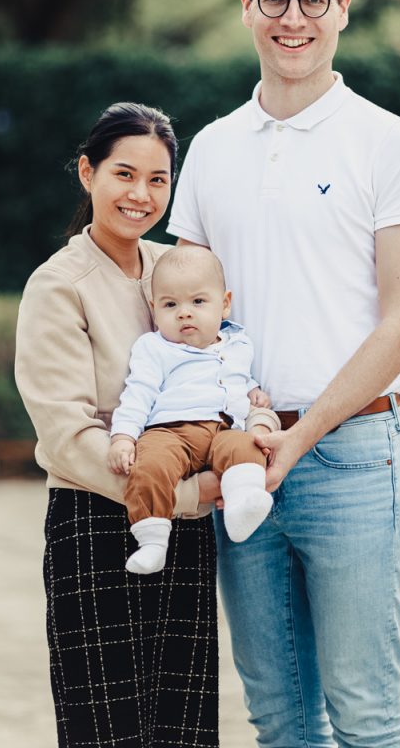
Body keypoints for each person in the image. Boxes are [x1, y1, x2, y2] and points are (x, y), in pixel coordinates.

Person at [167, 0, 400, 748]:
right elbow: (190, 317)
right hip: (243, 461)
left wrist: (304, 434)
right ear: (248, 7)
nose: (296, 18)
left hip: (356, 459)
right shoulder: (212, 150)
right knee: (282, 720)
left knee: (363, 715)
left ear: (344, 8)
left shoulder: (389, 143)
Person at [14, 102, 279, 748]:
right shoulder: (59, 286)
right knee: (107, 729)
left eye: (157, 179)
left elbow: (228, 356)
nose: (140, 195)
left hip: (184, 532)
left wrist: (256, 413)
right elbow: (68, 440)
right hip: (97, 522)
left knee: (183, 726)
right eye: (124, 174)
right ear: (87, 173)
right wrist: (190, 495)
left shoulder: (176, 271)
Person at [108, 244, 275, 574]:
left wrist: (253, 391)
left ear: (224, 305)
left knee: (246, 446)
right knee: (150, 465)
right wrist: (123, 436)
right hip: (170, 431)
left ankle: (243, 502)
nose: (184, 312)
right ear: (155, 310)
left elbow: (238, 377)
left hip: (223, 429)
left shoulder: (238, 344)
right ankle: (153, 539)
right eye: (171, 304)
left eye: (198, 302)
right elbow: (138, 392)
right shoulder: (155, 348)